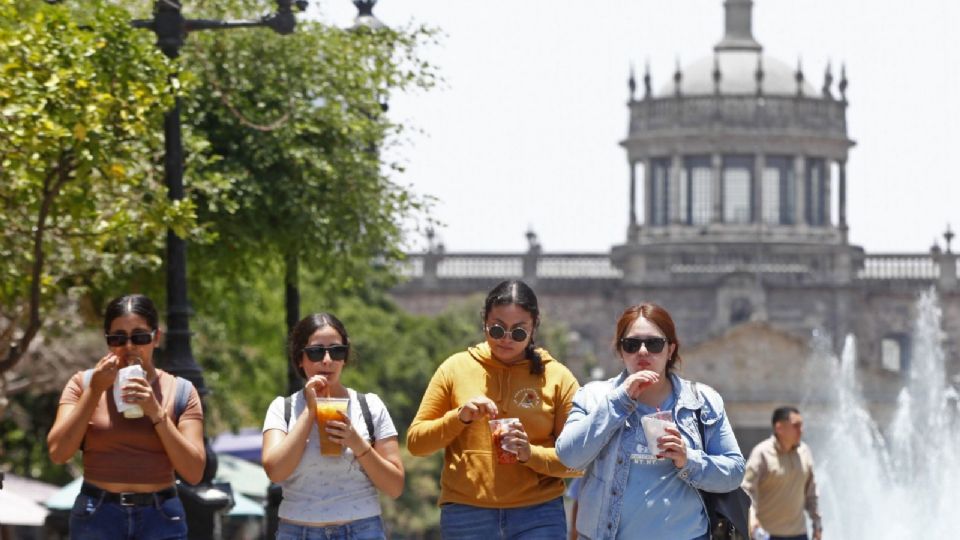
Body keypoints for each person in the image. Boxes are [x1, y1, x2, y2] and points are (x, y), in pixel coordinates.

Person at [407, 280, 581, 539]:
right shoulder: (455, 368)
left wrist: (529, 454)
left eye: (519, 332)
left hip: (538, 515)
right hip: (467, 514)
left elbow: (578, 460)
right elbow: (416, 443)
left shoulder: (558, 377)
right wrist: (459, 417)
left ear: (534, 327)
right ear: (484, 322)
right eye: (497, 329)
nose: (506, 339)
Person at [556, 303, 745, 540]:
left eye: (654, 344)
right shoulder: (594, 396)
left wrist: (689, 459)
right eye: (632, 345)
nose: (643, 352)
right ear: (620, 351)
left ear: (670, 349)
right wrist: (618, 401)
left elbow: (735, 472)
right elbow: (569, 457)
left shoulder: (702, 401)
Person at [47, 294, 205, 539]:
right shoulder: (83, 384)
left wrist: (156, 411)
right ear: (108, 341)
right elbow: (58, 453)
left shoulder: (181, 390)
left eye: (140, 337)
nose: (129, 346)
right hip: (98, 514)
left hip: (160, 516)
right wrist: (95, 391)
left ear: (156, 338)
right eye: (118, 338)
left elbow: (194, 472)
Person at [261, 312, 403, 540]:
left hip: (362, 530)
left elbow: (395, 487)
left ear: (345, 357)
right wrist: (309, 413)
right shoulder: (282, 408)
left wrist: (357, 443)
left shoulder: (370, 406)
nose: (327, 360)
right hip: (299, 531)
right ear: (300, 358)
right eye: (316, 352)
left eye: (337, 351)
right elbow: (275, 472)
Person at [741, 406, 822, 540]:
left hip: (799, 534)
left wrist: (817, 525)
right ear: (779, 428)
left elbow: (811, 494)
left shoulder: (805, 452)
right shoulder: (762, 453)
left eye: (801, 425)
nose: (800, 430)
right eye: (796, 426)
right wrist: (752, 520)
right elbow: (747, 490)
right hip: (767, 535)